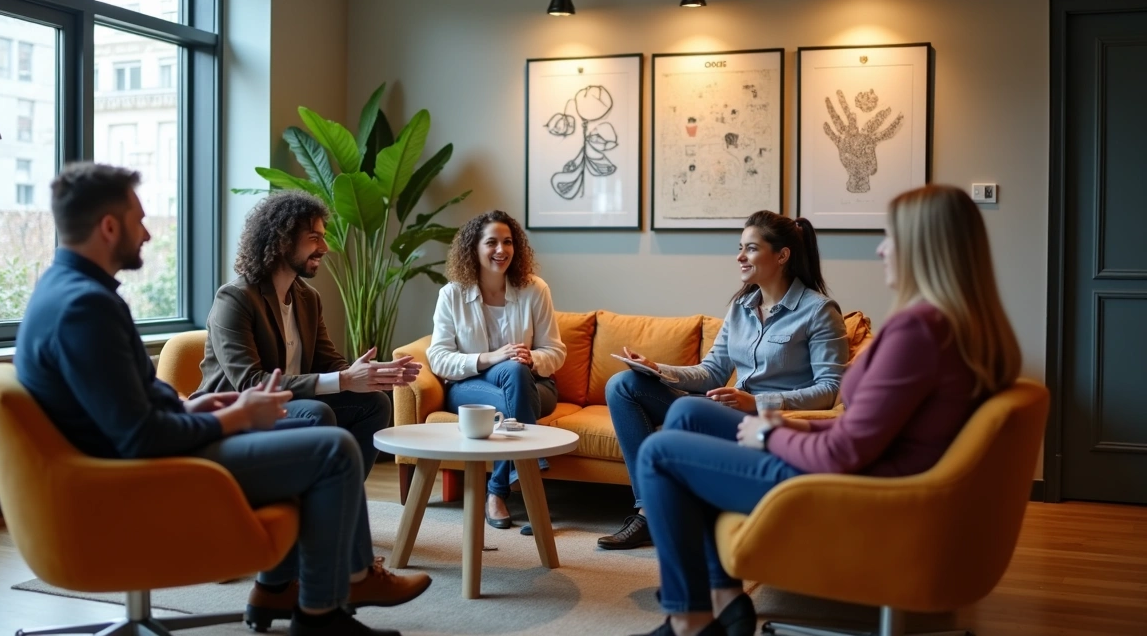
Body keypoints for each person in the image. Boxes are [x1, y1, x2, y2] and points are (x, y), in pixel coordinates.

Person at [14, 163, 431, 636]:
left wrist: (190, 408)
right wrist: (229, 419)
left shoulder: (69, 292)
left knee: (317, 427)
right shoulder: (87, 307)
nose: (149, 233)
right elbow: (140, 434)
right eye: (140, 220)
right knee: (329, 446)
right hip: (132, 476)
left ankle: (281, 588)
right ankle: (327, 607)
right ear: (109, 227)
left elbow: (131, 403)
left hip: (134, 456)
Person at [632, 185, 1023, 636]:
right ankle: (724, 600)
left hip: (855, 492)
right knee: (687, 417)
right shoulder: (965, 327)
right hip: (876, 474)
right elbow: (871, 430)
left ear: (923, 248)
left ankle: (689, 621)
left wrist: (769, 433)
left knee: (660, 452)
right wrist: (787, 426)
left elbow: (846, 444)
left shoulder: (918, 332)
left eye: (890, 238)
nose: (880, 250)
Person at [598, 211, 848, 550]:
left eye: (751, 249)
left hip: (766, 422)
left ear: (782, 255)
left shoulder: (819, 311)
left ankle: (659, 514)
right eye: (740, 248)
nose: (739, 257)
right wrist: (658, 369)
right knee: (622, 385)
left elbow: (830, 391)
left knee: (689, 411)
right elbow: (711, 372)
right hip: (725, 409)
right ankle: (648, 507)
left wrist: (758, 403)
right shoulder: (741, 307)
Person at [195, 189, 420, 478]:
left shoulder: (308, 298)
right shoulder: (236, 298)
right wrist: (344, 379)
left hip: (290, 405)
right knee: (317, 413)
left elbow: (329, 362)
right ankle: (317, 499)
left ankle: (342, 500)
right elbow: (251, 382)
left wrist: (368, 374)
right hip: (237, 411)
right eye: (315, 237)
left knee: (375, 402)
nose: (325, 247)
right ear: (282, 240)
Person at [427, 209, 567, 530]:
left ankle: (496, 491)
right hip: (471, 387)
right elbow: (438, 357)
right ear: (473, 248)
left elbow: (555, 351)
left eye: (508, 242)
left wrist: (532, 358)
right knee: (509, 381)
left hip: (534, 385)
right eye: (491, 242)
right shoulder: (452, 295)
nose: (501, 250)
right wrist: (489, 358)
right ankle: (526, 482)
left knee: (516, 372)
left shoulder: (535, 289)